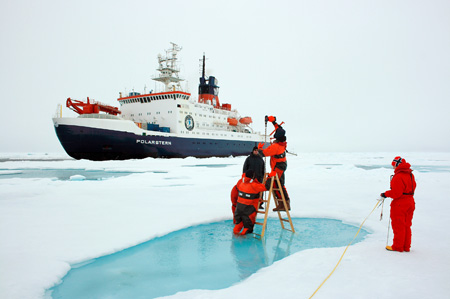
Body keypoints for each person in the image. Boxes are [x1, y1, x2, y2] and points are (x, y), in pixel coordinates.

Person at [380, 156, 416, 252]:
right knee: (407, 225)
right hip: (410, 202)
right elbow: (413, 187)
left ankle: (398, 247)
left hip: (400, 204)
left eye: (394, 166)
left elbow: (396, 193)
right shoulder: (410, 175)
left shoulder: (398, 176)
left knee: (399, 225)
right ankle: (406, 247)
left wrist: (385, 194)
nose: (393, 168)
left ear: (397, 165)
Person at [258, 115, 290, 211]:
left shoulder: (275, 147)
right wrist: (273, 121)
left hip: (277, 167)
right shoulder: (283, 142)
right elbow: (279, 128)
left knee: (275, 184)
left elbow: (263, 153)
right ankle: (283, 204)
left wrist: (260, 148)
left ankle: (284, 204)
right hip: (281, 165)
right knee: (280, 185)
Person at [231, 169, 270, 235]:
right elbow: (267, 187)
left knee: (238, 226)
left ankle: (236, 239)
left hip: (238, 210)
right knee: (248, 228)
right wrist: (269, 178)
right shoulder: (255, 186)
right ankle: (244, 242)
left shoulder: (241, 183)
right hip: (248, 211)